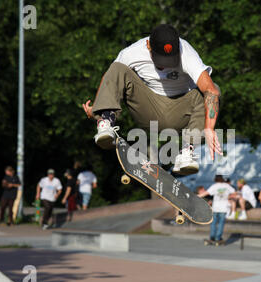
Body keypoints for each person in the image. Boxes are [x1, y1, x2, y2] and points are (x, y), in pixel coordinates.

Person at [82, 24, 223, 175]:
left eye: (170, 60)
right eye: (159, 59)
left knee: (212, 89)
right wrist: (98, 108)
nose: (164, 65)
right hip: (148, 109)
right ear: (148, 45)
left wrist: (208, 127)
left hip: (181, 111)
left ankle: (187, 152)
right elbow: (111, 77)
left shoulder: (187, 52)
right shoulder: (132, 53)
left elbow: (210, 90)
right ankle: (106, 121)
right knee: (117, 68)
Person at [198, 175, 235, 243]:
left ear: (215, 179)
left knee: (213, 223)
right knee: (221, 223)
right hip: (224, 208)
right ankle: (218, 238)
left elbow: (205, 193)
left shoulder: (215, 186)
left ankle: (212, 237)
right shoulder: (227, 186)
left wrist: (196, 197)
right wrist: (229, 197)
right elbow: (234, 192)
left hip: (216, 207)